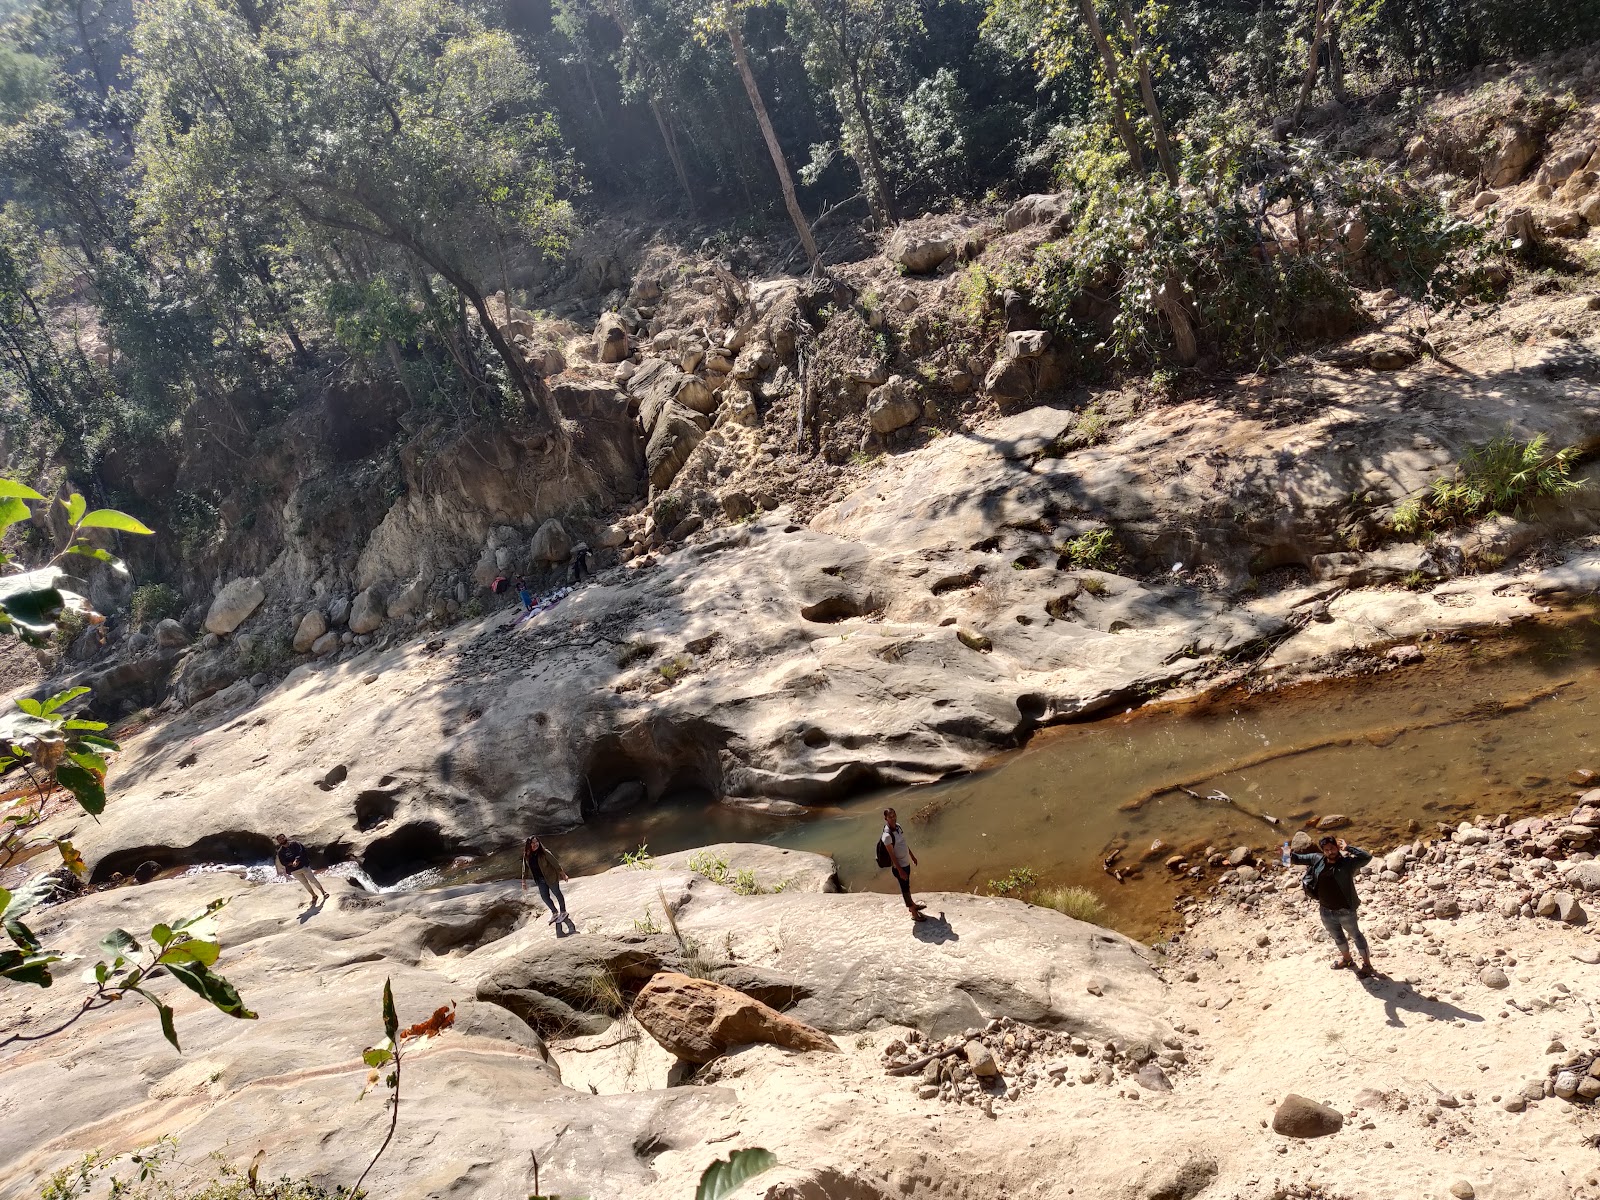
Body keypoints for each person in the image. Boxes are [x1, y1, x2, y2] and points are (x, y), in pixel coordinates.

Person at [1287, 834, 1375, 977]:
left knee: (1356, 936)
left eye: (1332, 848)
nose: (1330, 852)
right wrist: (1284, 853)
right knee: (1338, 938)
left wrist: (1349, 848)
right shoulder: (1317, 859)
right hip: (1325, 911)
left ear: (1337, 847)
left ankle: (1367, 965)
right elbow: (1295, 859)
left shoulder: (1347, 863)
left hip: (1345, 910)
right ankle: (1347, 960)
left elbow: (1367, 857)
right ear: (1323, 851)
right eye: (1326, 850)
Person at [880, 807, 925, 922]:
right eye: (890, 816)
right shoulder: (887, 836)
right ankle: (914, 914)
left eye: (894, 815)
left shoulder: (898, 827)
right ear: (885, 818)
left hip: (906, 863)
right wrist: (900, 870)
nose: (893, 817)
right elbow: (892, 855)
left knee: (907, 886)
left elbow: (903, 843)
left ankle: (912, 905)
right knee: (904, 888)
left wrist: (912, 855)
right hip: (899, 867)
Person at [522, 835, 571, 924]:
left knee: (557, 893)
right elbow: (525, 868)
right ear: (529, 844)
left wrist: (563, 874)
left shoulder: (544, 853)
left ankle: (563, 912)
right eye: (533, 843)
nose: (535, 844)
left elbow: (555, 863)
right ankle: (554, 912)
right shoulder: (527, 855)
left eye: (537, 842)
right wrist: (523, 881)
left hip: (550, 877)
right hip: (539, 880)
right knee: (545, 897)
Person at [275, 833, 328, 905]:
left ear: (285, 837)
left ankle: (323, 892)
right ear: (278, 842)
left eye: (282, 838)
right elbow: (283, 862)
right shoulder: (280, 852)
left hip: (303, 866)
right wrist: (291, 863)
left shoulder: (295, 844)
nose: (282, 840)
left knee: (312, 879)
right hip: (294, 870)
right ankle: (314, 895)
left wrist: (297, 860)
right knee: (304, 883)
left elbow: (301, 852)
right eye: (280, 839)